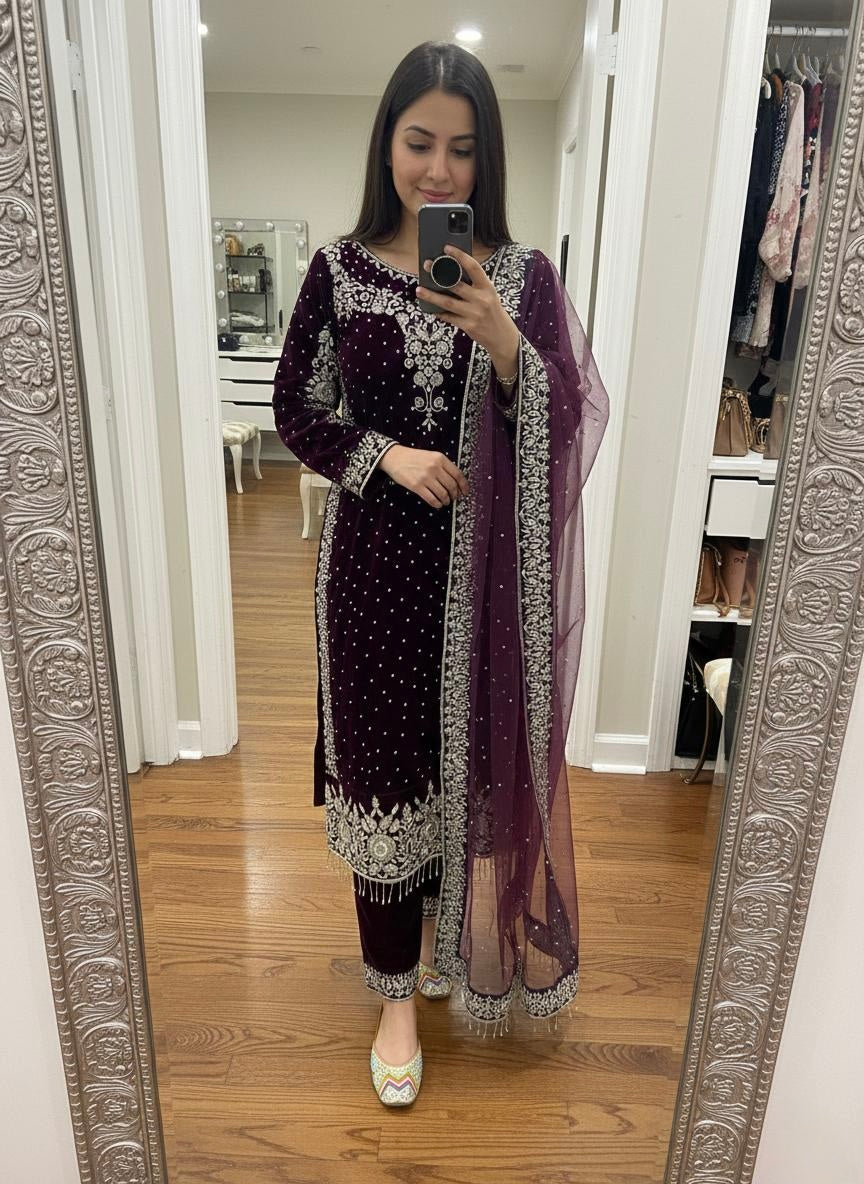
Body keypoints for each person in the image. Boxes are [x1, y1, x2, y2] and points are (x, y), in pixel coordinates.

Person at [272, 40, 609, 1106]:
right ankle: (395, 998)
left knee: (463, 768)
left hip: (485, 588)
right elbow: (295, 410)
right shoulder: (337, 271)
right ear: (387, 143)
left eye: (462, 150)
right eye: (419, 142)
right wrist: (386, 457)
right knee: (385, 777)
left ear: (485, 159)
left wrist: (505, 341)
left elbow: (568, 417)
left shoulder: (524, 278)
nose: (438, 170)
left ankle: (447, 945)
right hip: (371, 578)